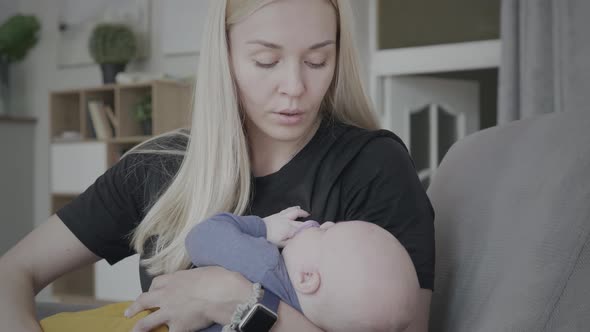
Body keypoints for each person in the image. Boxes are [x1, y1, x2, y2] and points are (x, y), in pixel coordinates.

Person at [0, 0, 435, 331]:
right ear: (223, 56)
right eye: (266, 61)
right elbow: (13, 272)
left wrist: (239, 302)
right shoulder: (158, 167)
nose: (295, 87)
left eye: (317, 60)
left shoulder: (372, 166)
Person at [186, 209, 420, 331]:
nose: (325, 223)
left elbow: (201, 238)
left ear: (306, 278)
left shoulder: (266, 266)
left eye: (326, 232)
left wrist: (264, 227)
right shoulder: (322, 323)